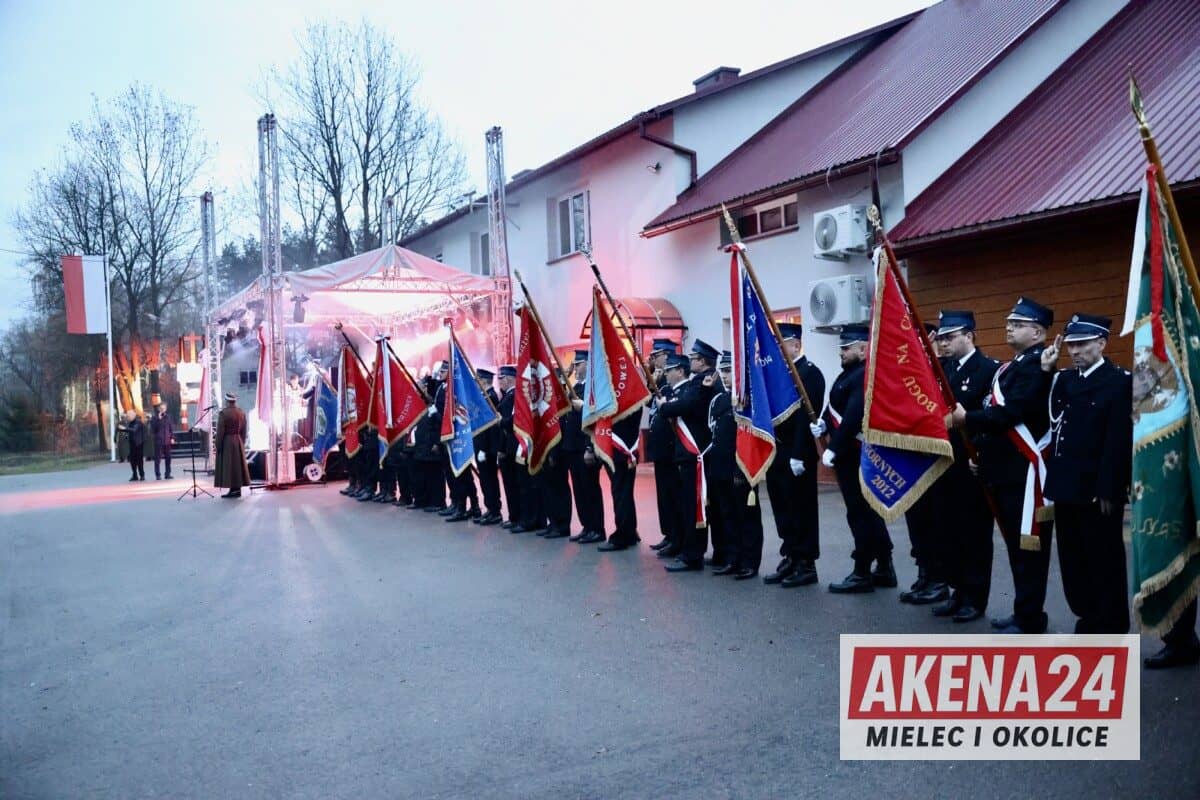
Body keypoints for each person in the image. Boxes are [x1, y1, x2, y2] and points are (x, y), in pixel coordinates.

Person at [949, 297, 1055, 634]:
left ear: (1038, 332)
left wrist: (968, 418)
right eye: (1009, 322)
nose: (1009, 328)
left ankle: (1030, 617)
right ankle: (1023, 611)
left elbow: (1012, 413)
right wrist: (982, 455)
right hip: (1004, 472)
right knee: (1017, 549)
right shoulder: (1013, 367)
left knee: (1028, 550)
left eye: (1018, 324)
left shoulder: (1037, 365)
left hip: (1023, 474)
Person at [1041, 314, 1132, 635]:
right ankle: (1087, 615)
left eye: (1082, 344)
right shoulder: (1064, 380)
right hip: (1066, 484)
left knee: (1104, 558)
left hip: (1096, 489)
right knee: (1072, 557)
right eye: (1071, 345)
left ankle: (1111, 623)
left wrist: (1110, 488)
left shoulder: (1118, 381)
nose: (1075, 351)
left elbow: (1117, 441)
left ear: (1102, 343)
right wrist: (1046, 371)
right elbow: (1049, 419)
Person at [930, 310, 999, 623]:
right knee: (948, 531)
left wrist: (982, 452)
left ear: (969, 336)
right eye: (941, 337)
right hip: (943, 461)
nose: (943, 343)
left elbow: (991, 418)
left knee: (974, 534)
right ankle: (956, 590)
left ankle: (975, 597)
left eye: (950, 337)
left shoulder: (989, 370)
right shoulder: (941, 370)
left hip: (971, 462)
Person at [819, 324, 895, 593]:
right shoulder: (848, 374)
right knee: (867, 512)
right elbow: (836, 407)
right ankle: (884, 566)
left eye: (846, 347)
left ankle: (862, 570)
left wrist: (834, 447)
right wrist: (824, 424)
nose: (841, 352)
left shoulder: (864, 374)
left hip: (857, 454)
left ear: (864, 349)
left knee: (860, 513)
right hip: (850, 453)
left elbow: (854, 414)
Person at [764, 322, 826, 588]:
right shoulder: (781, 374)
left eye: (782, 344)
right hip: (777, 450)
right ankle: (790, 554)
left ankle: (806, 563)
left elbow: (805, 416)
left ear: (796, 345)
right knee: (783, 508)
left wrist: (799, 453)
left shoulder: (809, 373)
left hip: (796, 453)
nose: (778, 349)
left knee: (802, 509)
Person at [660, 340, 719, 573]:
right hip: (688, 454)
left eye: (693, 358)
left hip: (695, 453)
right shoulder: (700, 381)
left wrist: (664, 407)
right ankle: (691, 551)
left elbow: (687, 404)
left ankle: (692, 555)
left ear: (702, 361)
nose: (690, 361)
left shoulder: (702, 382)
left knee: (693, 507)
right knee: (690, 506)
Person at [704, 351, 763, 579]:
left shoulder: (749, 400)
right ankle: (733, 558)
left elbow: (750, 438)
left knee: (746, 517)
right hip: (720, 467)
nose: (725, 376)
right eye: (723, 371)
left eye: (729, 371)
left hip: (740, 468)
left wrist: (742, 469)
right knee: (727, 515)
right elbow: (714, 434)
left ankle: (749, 562)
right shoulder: (719, 400)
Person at [563, 351, 606, 544]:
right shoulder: (575, 387)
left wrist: (590, 447)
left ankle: (597, 528)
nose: (576, 368)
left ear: (588, 365)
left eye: (579, 364)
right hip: (572, 446)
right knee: (579, 490)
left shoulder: (593, 388)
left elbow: (596, 419)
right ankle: (586, 526)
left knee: (590, 489)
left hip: (585, 446)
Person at [646, 339, 681, 555]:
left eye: (655, 355)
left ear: (666, 356)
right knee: (663, 496)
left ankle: (676, 536)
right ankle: (668, 533)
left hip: (671, 449)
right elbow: (647, 403)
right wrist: (653, 382)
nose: (652, 358)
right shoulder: (661, 382)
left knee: (672, 495)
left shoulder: (673, 386)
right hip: (659, 449)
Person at [473, 368, 504, 526]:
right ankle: (490, 509)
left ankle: (495, 511)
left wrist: (485, 449)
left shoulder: (491, 397)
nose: (476, 381)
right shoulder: (484, 396)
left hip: (487, 447)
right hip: (481, 445)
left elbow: (490, 426)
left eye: (477, 378)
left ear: (484, 380)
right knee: (485, 480)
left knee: (490, 479)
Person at [495, 365, 523, 528]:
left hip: (513, 446)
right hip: (507, 446)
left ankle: (518, 517)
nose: (500, 382)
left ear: (509, 379)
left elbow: (514, 421)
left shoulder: (515, 395)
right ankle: (514, 517)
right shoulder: (507, 396)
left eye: (502, 379)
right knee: (510, 485)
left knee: (515, 485)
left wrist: (501, 422)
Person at [214, 392, 251, 498]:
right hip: (238, 440)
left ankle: (233, 489)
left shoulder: (223, 413)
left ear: (227, 401)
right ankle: (236, 489)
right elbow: (244, 430)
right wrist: (241, 442)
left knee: (229, 466)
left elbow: (220, 431)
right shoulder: (241, 412)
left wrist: (218, 445)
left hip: (227, 442)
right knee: (237, 466)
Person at [119, 410, 146, 481]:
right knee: (132, 461)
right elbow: (128, 430)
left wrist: (124, 428)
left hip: (139, 444)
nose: (128, 417)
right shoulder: (129, 423)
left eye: (129, 416)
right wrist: (121, 429)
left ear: (133, 415)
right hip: (132, 444)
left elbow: (134, 430)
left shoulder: (138, 422)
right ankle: (134, 475)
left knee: (139, 461)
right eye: (127, 416)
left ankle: (142, 475)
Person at [149, 403, 174, 480]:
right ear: (159, 409)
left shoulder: (168, 417)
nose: (163, 410)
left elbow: (171, 429)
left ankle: (167, 474)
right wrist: (158, 419)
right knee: (158, 459)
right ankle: (158, 475)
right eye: (161, 408)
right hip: (158, 441)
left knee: (168, 458)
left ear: (166, 409)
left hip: (167, 441)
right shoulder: (154, 418)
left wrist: (172, 438)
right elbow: (153, 429)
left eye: (164, 408)